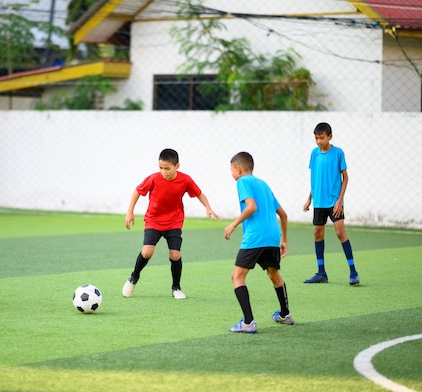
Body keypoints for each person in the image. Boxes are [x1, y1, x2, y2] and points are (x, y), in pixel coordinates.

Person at [122, 148, 219, 299]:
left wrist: (208, 208)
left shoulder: (185, 180)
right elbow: (137, 191)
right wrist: (130, 212)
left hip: (174, 221)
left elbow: (199, 193)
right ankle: (133, 278)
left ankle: (176, 288)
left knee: (175, 255)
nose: (163, 172)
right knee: (147, 252)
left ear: (177, 166)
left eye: (167, 168)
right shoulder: (153, 179)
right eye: (160, 168)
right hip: (153, 220)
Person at [224, 152, 292, 333]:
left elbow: (251, 207)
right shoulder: (264, 184)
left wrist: (233, 224)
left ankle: (248, 322)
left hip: (255, 237)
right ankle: (285, 314)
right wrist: (284, 239)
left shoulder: (243, 182)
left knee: (237, 277)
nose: (231, 174)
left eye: (231, 170)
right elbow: (283, 214)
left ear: (238, 169)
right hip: (272, 236)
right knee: (273, 273)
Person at [303, 122, 360, 285]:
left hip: (334, 202)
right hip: (319, 202)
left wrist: (339, 201)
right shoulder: (314, 154)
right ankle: (321, 273)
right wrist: (309, 198)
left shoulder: (338, 153)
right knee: (317, 234)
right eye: (316, 138)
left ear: (330, 137)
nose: (319, 141)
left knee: (341, 233)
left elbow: (345, 178)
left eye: (321, 138)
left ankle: (353, 272)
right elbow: (314, 179)